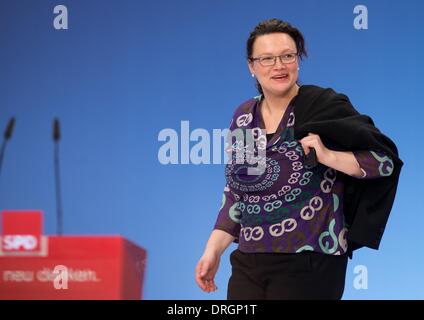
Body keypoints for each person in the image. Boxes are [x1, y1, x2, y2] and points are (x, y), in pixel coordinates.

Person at [195, 18, 403, 300]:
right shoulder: (244, 116)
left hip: (310, 259)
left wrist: (328, 155)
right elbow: (237, 193)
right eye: (267, 58)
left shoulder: (323, 104)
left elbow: (383, 162)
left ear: (298, 60)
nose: (278, 66)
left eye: (287, 56)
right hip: (249, 259)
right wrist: (213, 250)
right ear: (251, 66)